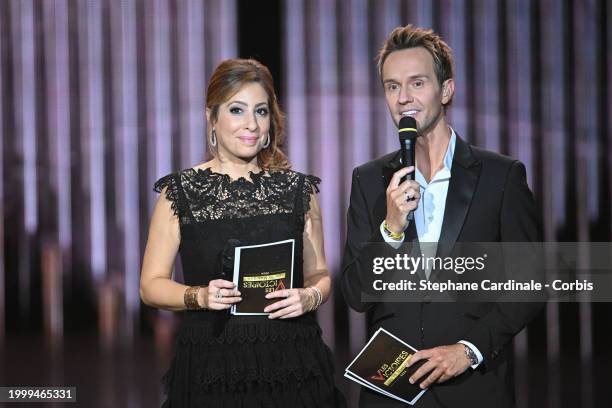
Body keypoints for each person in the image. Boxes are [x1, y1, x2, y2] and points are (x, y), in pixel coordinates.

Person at [341, 25, 544, 407]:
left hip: (472, 389)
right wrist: (391, 230)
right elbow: (355, 294)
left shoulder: (500, 176)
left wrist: (468, 350)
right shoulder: (369, 181)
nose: (404, 98)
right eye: (392, 86)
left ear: (446, 90)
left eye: (417, 83)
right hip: (391, 391)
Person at [140, 58, 345, 407]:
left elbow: (320, 273)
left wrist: (308, 297)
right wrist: (199, 296)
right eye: (237, 110)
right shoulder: (180, 192)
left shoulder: (299, 190)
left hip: (293, 362)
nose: (251, 124)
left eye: (261, 111)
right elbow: (150, 285)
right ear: (212, 118)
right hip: (212, 364)